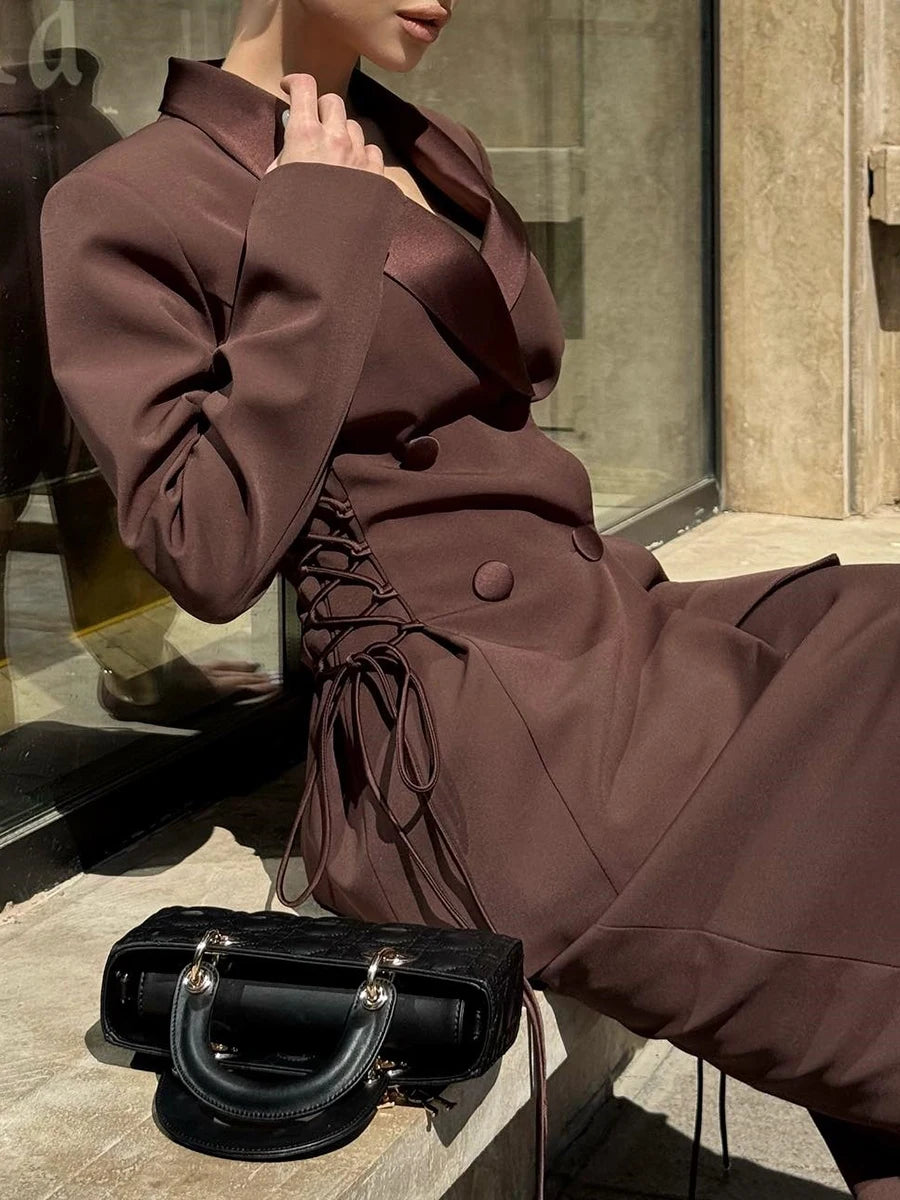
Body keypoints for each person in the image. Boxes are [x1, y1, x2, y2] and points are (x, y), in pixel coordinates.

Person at [37, 1, 900, 1195]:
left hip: (601, 623)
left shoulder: (433, 144)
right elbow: (204, 546)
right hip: (463, 724)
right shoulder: (125, 201)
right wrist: (314, 235)